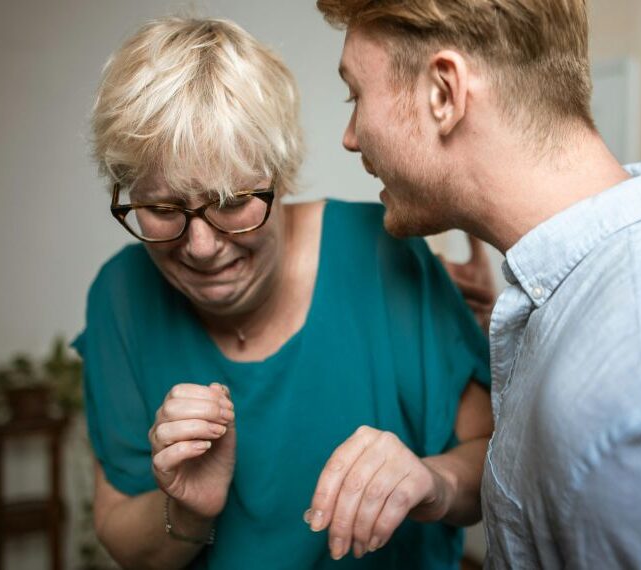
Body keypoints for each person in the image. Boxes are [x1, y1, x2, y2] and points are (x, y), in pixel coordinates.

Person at [75, 16, 494, 570]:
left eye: (230, 202)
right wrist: (189, 512)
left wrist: (434, 481)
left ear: (281, 173)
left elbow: (490, 464)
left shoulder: (385, 252)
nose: (201, 246)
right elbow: (125, 540)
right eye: (162, 209)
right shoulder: (121, 297)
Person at [316, 1, 641, 568]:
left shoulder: (629, 395)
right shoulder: (577, 296)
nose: (351, 138)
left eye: (356, 95)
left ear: (443, 93)